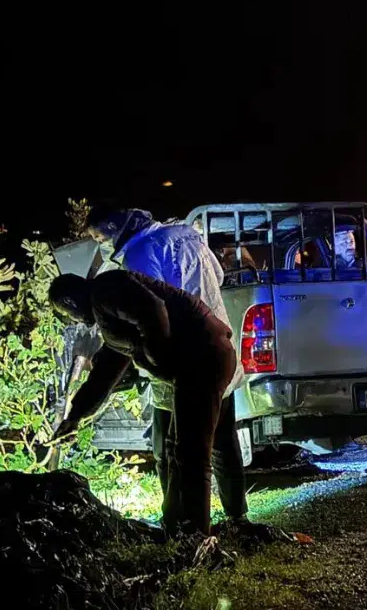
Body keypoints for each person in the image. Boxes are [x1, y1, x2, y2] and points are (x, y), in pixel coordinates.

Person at [48, 270, 238, 536]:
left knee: (192, 454)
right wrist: (75, 417)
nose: (74, 320)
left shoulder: (107, 288)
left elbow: (153, 309)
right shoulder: (107, 313)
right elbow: (105, 374)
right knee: (179, 450)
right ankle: (176, 526)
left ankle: (196, 534)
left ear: (69, 302)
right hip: (198, 360)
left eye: (68, 314)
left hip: (202, 358)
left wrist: (157, 357)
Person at [87, 207, 246, 523]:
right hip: (220, 348)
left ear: (114, 228)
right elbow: (218, 276)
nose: (100, 245)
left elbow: (150, 314)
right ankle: (237, 517)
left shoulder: (139, 254)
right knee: (222, 442)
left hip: (182, 362)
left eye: (99, 237)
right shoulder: (184, 233)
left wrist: (152, 360)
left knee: (173, 451)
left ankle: (179, 522)